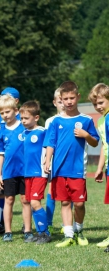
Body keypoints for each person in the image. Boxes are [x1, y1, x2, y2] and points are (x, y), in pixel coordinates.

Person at [43, 81, 99, 248]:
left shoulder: (86, 120)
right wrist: (47, 161)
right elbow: (50, 142)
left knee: (79, 203)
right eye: (65, 98)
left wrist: (85, 135)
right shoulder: (55, 121)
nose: (68, 101)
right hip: (59, 169)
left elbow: (95, 142)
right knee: (65, 202)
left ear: (78, 97)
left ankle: (79, 230)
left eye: (71, 98)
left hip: (77, 169)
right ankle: (68, 235)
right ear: (60, 99)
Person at [0, 94, 33, 242]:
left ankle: (28, 230)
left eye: (7, 112)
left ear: (16, 111)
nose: (5, 115)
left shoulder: (25, 127)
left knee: (25, 200)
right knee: (9, 199)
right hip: (8, 172)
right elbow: (0, 154)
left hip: (24, 171)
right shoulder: (2, 131)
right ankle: (8, 231)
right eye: (2, 113)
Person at [0, 87, 21, 235]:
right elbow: (0, 139)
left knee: (25, 197)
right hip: (7, 163)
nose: (4, 115)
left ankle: (26, 226)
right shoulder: (0, 117)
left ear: (16, 102)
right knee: (1, 191)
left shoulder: (23, 118)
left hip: (21, 165)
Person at [19, 100, 51, 244]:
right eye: (21, 118)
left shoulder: (42, 131)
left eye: (26, 118)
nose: (23, 121)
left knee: (35, 202)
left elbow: (51, 146)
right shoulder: (24, 133)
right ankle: (40, 232)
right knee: (31, 203)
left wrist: (48, 163)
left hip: (39, 172)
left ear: (36, 117)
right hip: (28, 174)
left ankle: (45, 233)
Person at [88, 83, 109, 252]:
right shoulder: (102, 120)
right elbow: (104, 145)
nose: (98, 107)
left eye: (101, 102)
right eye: (95, 104)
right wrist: (100, 168)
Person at [44, 88, 65, 234]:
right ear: (54, 103)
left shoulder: (75, 119)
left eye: (65, 100)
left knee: (67, 195)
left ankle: (66, 224)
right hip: (53, 163)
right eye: (60, 101)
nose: (63, 104)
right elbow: (48, 143)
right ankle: (49, 224)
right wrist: (47, 160)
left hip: (68, 164)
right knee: (51, 192)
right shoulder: (50, 121)